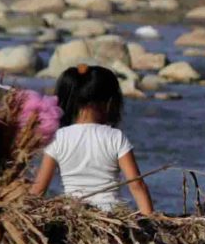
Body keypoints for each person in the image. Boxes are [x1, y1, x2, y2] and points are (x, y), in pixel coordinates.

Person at [29, 64, 154, 214]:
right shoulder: (115, 137)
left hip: (73, 215)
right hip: (111, 215)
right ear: (108, 102)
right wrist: (151, 222)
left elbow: (39, 188)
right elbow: (137, 185)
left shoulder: (58, 137)